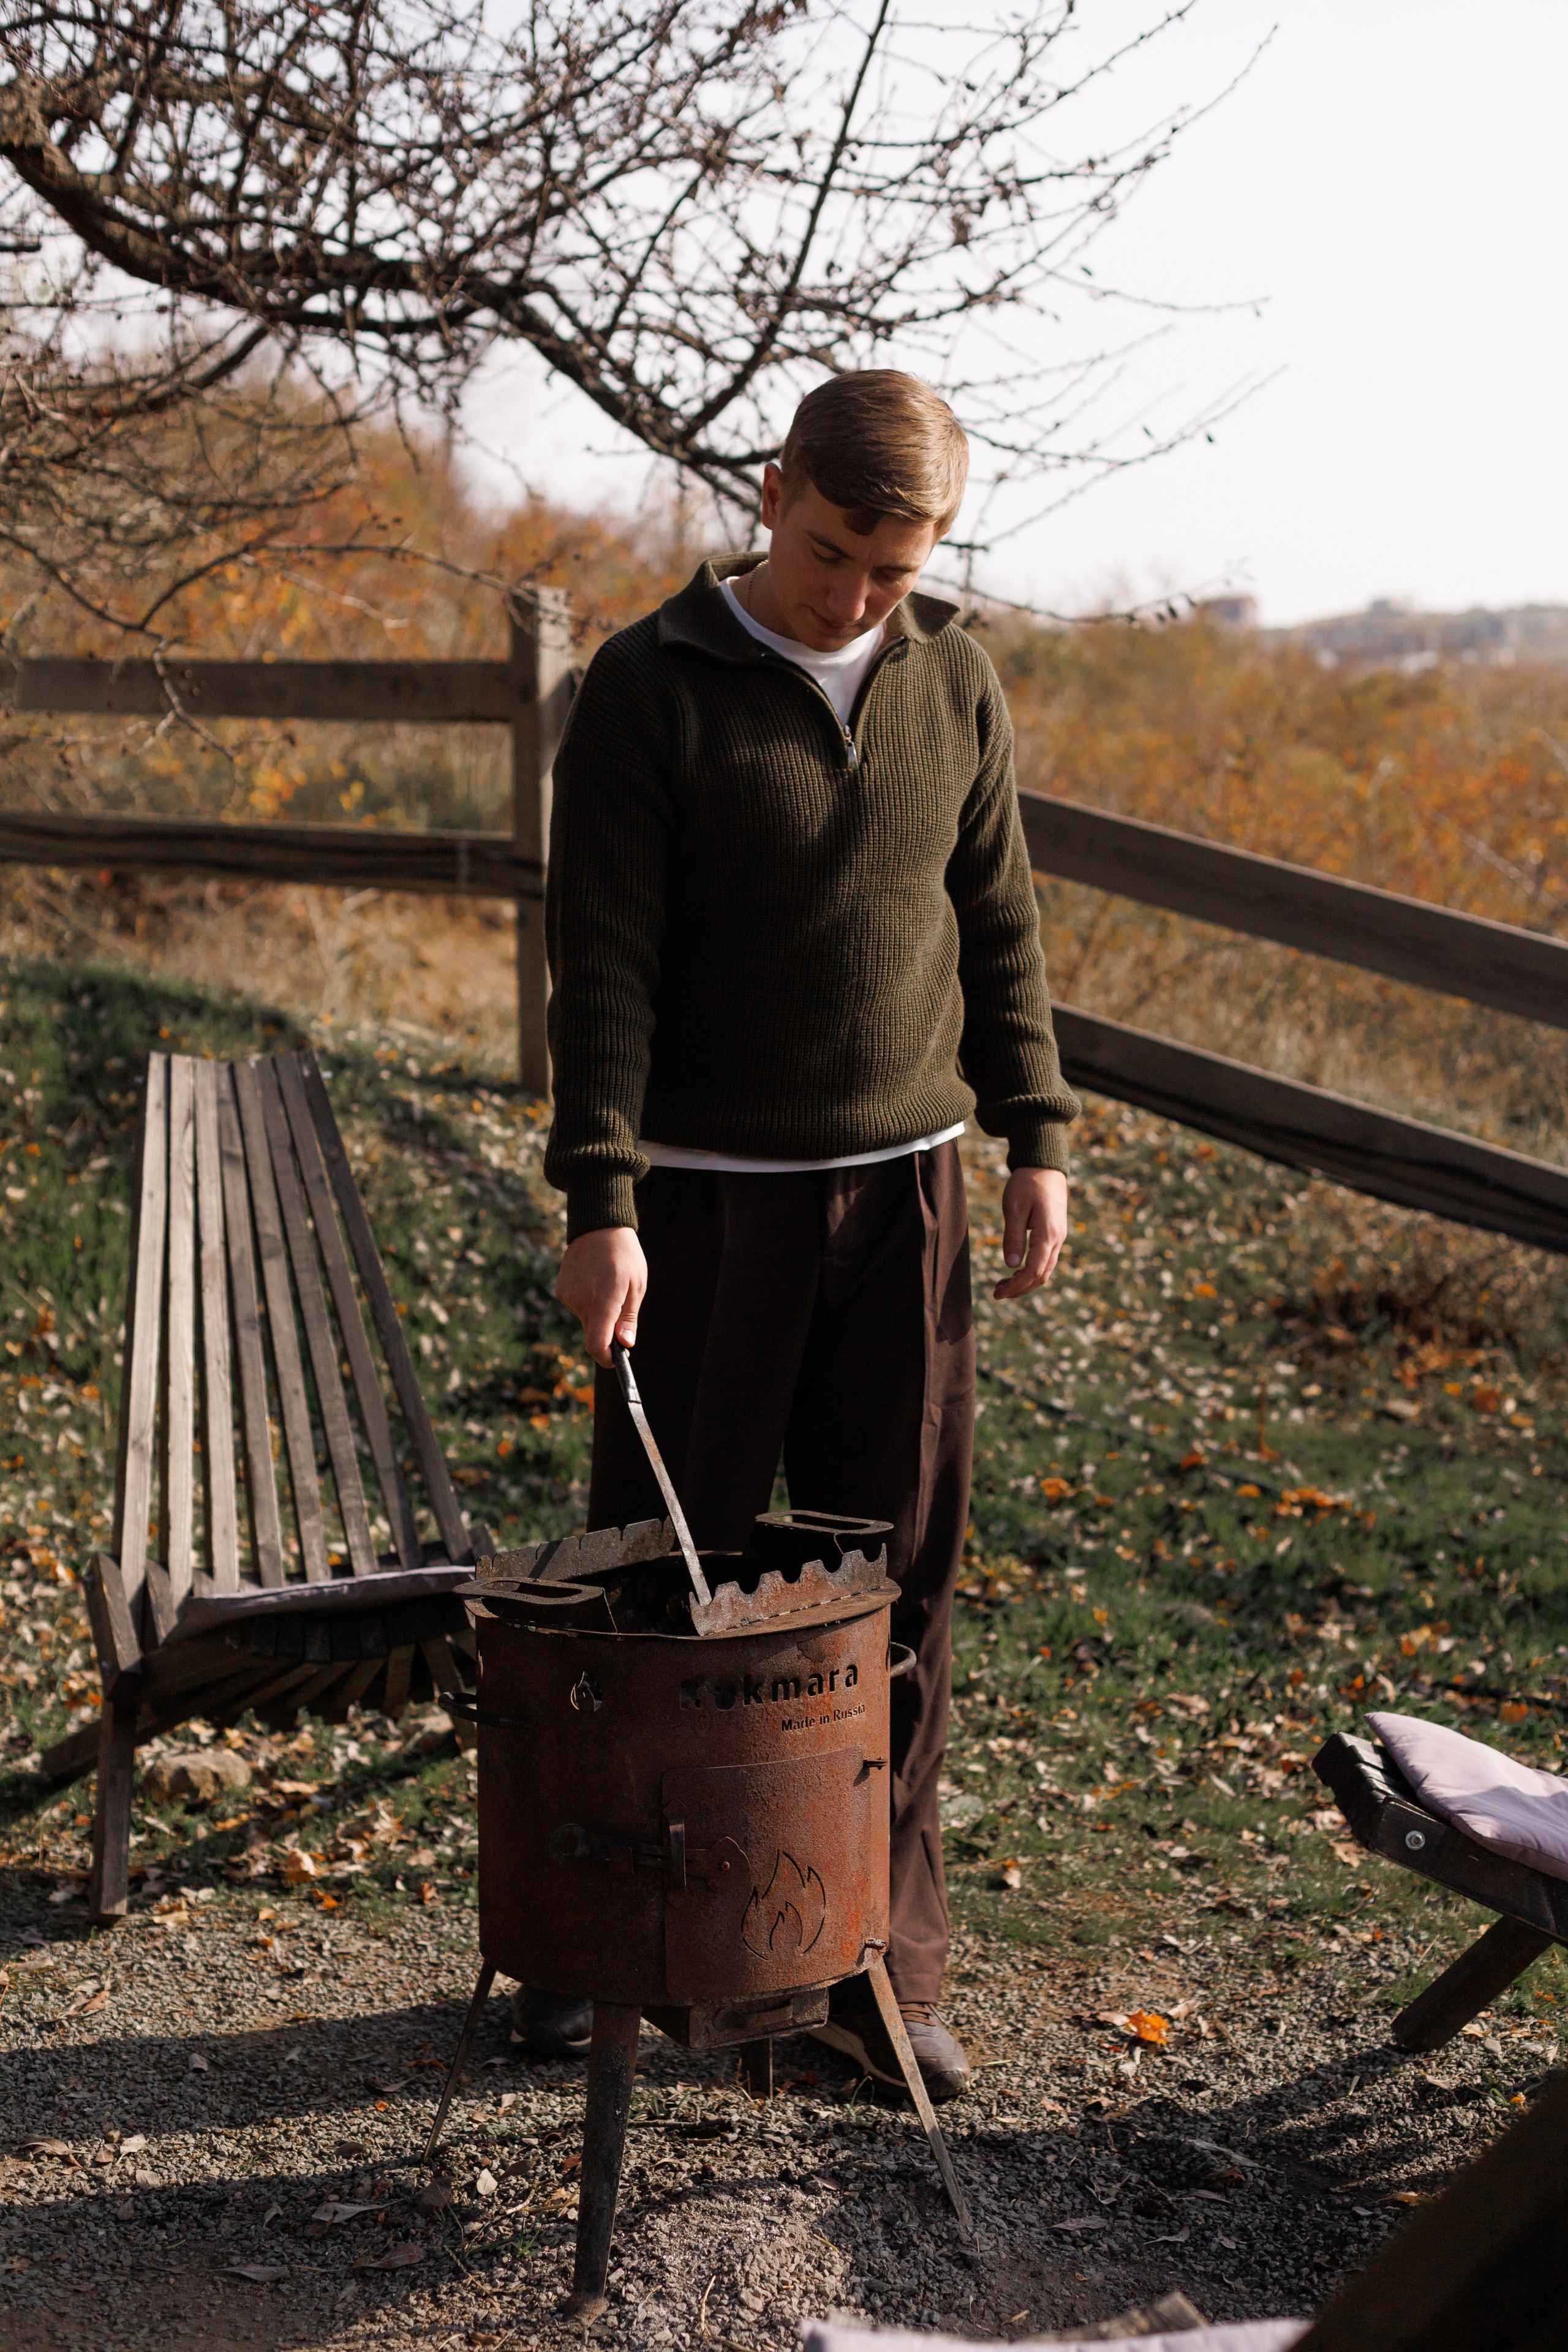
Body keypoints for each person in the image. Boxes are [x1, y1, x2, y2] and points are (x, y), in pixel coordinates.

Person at [521, 369, 1079, 2100]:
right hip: (701, 1208)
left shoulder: (956, 685)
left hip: (905, 1203)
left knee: (890, 1596)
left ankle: (868, 1969)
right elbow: (598, 959)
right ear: (775, 497)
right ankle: (595, 1953)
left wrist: (1036, 1137)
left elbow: (999, 924)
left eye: (895, 575)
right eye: (836, 556)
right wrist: (601, 1202)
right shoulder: (649, 687)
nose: (857, 600)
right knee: (658, 1585)